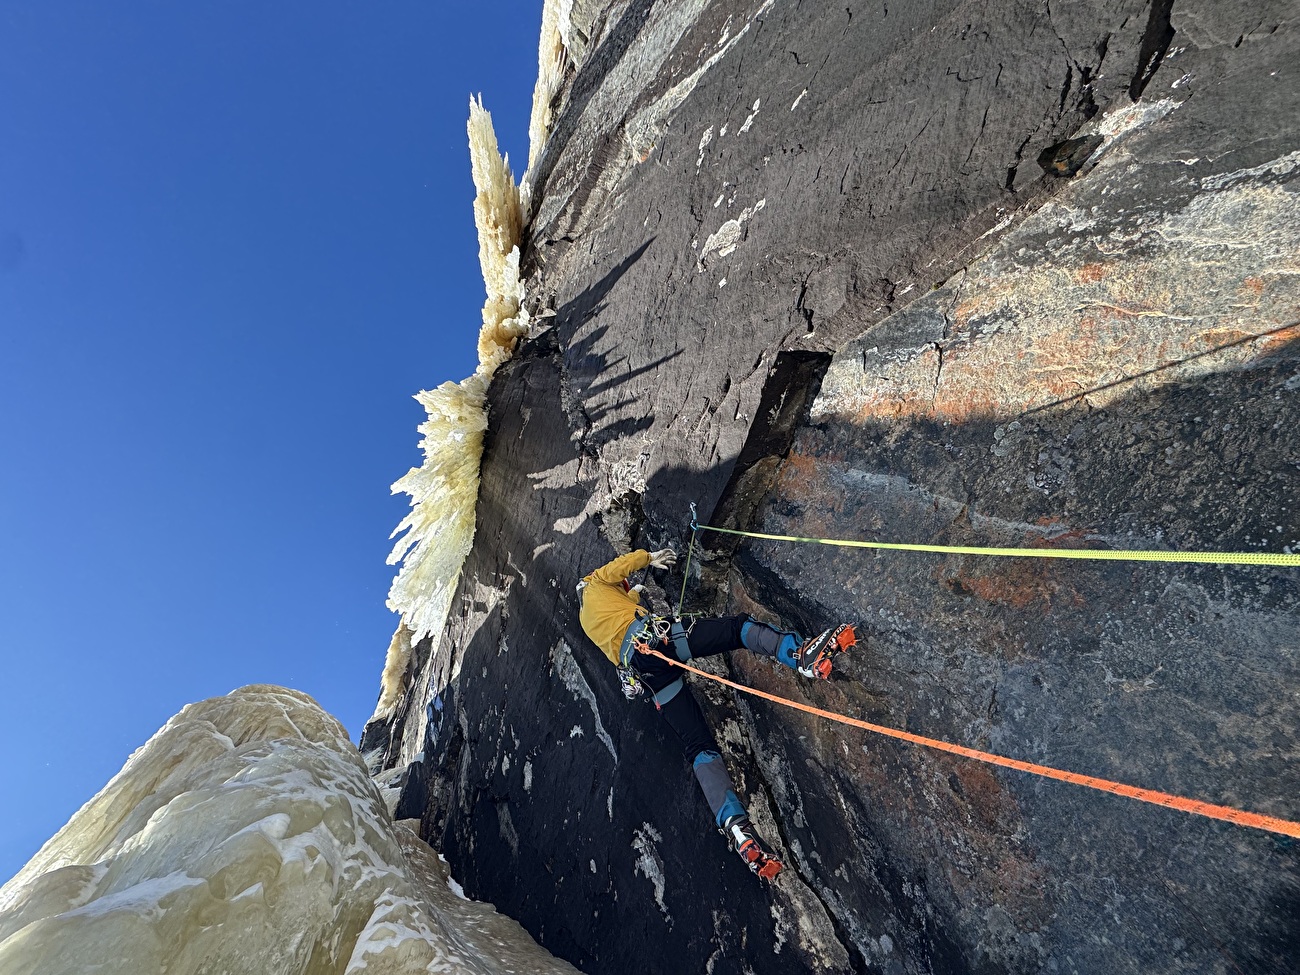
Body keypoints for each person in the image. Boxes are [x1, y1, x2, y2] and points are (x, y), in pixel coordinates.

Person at [576, 547, 854, 879]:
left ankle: (736, 827)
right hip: (658, 641)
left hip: (648, 676)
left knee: (699, 747)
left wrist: (632, 600)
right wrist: (646, 558)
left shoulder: (587, 621)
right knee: (736, 629)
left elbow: (618, 638)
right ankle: (801, 655)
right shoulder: (593, 583)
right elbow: (618, 570)